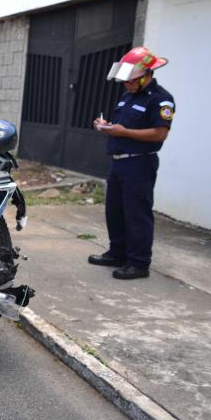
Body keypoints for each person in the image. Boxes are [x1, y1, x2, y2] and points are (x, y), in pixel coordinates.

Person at [88, 46, 174, 280]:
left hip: (140, 164)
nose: (125, 84)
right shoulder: (127, 96)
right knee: (114, 212)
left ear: (146, 75)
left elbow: (159, 134)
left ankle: (138, 263)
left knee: (137, 214)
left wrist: (124, 132)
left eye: (131, 80)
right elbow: (120, 127)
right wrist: (105, 125)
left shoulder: (161, 100)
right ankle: (118, 253)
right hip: (118, 163)